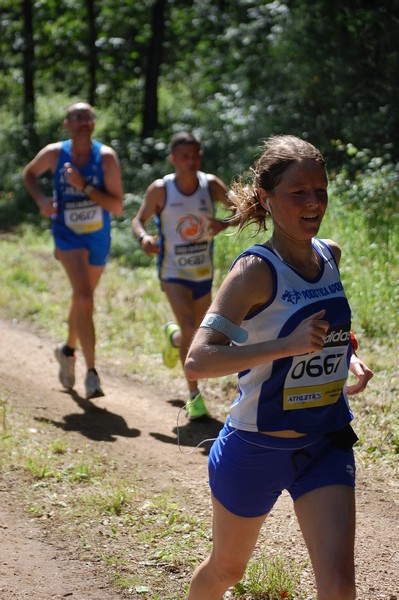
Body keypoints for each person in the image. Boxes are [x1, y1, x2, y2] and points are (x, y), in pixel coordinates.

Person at [184, 135, 374, 599]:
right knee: (225, 571)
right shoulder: (254, 271)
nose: (313, 203)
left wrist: (345, 356)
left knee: (340, 587)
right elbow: (199, 357)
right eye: (298, 193)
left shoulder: (329, 254)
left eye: (321, 191)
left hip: (323, 443)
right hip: (256, 448)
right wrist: (286, 345)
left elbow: (324, 333)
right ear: (267, 199)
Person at [23, 101, 123, 399]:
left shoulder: (105, 158)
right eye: (77, 116)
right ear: (66, 123)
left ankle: (67, 350)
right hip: (67, 235)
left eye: (88, 116)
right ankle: (91, 373)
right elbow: (29, 174)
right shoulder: (54, 153)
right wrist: (41, 200)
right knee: (84, 298)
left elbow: (116, 207)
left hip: (97, 237)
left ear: (93, 123)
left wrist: (84, 186)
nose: (83, 121)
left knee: (83, 300)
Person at [132, 131, 233, 420]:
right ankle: (194, 395)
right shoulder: (161, 189)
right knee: (190, 325)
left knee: (203, 333)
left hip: (202, 270)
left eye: (195, 156)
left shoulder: (210, 185)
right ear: (172, 159)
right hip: (172, 272)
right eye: (184, 157)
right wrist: (143, 239)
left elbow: (239, 212)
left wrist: (223, 223)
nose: (190, 162)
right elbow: (137, 220)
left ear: (200, 156)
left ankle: (175, 338)